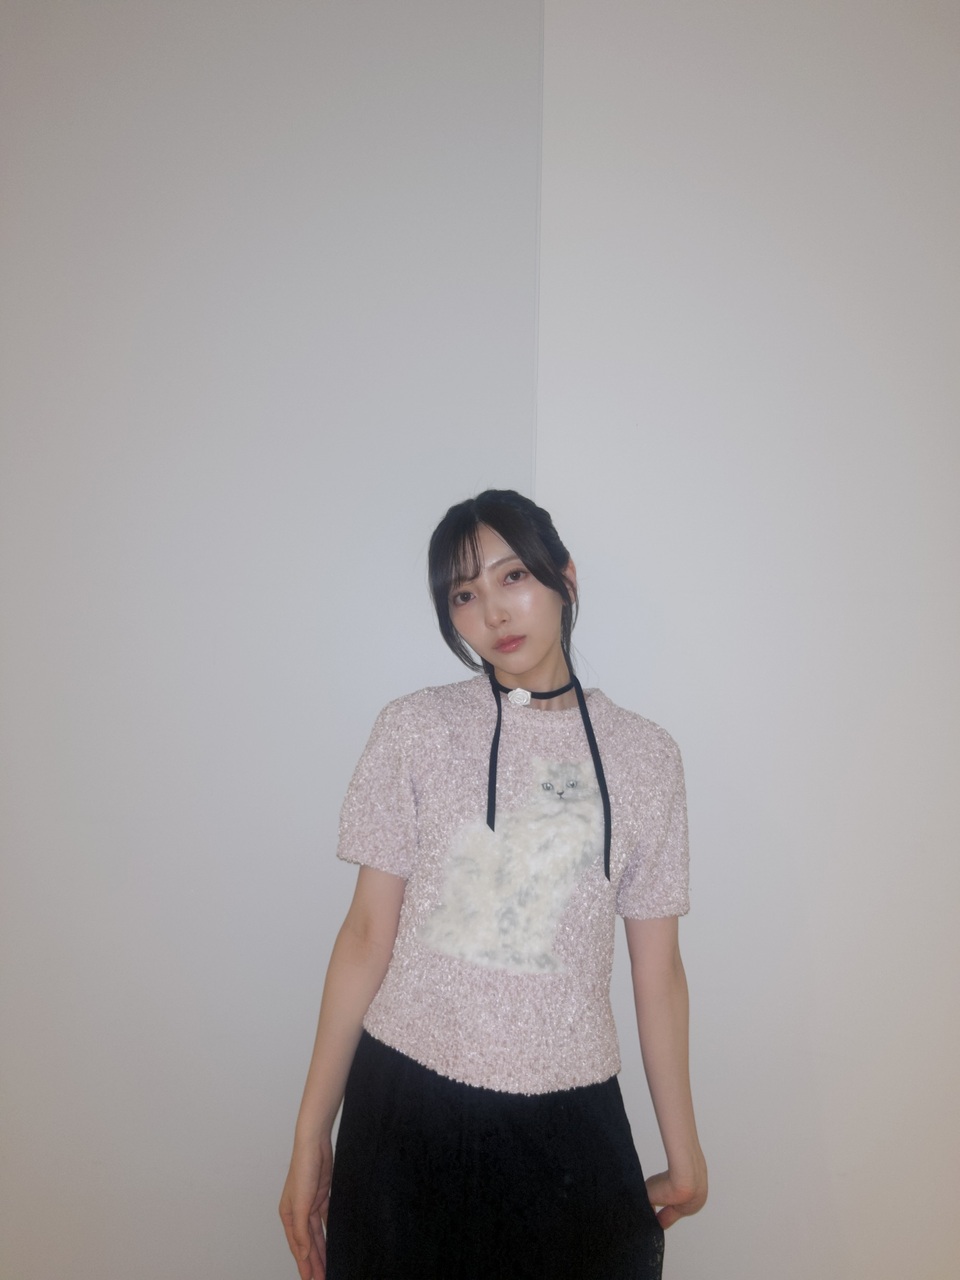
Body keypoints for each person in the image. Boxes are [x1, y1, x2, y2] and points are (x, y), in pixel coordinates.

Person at [279, 490, 707, 1279]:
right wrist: (311, 1137)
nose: (494, 613)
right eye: (464, 595)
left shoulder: (646, 759)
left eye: (513, 577)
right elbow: (366, 937)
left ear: (565, 577)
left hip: (569, 1126)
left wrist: (684, 1155)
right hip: (403, 1114)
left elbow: (659, 973)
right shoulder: (416, 730)